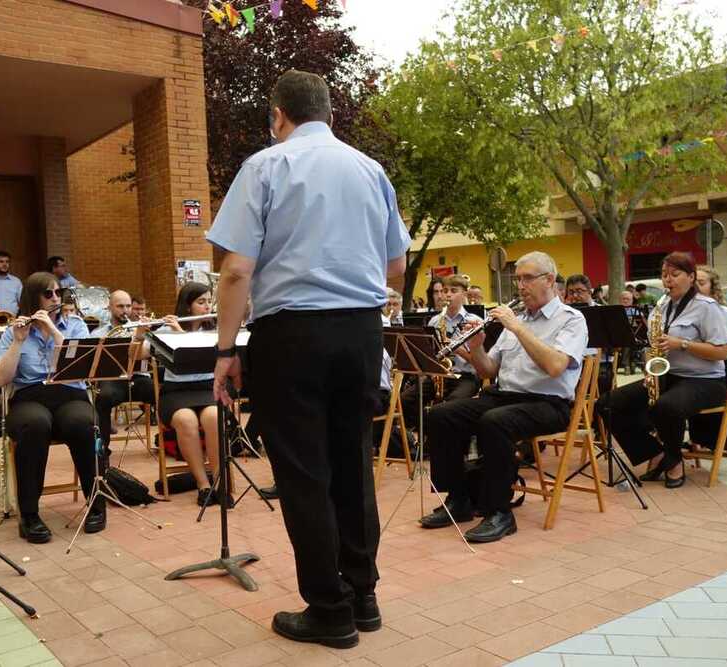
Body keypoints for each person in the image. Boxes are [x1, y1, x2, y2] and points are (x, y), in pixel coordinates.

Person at [206, 70, 410, 649]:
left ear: (277, 116)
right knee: (351, 465)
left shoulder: (266, 166)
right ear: (329, 113)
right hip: (360, 331)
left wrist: (226, 351)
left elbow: (237, 269)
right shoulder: (370, 170)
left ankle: (329, 610)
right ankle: (363, 596)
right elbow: (395, 269)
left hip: (291, 334)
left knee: (304, 475)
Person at [419, 251, 587, 541]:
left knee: (494, 421)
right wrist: (476, 347)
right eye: (518, 279)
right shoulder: (517, 320)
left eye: (527, 279)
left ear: (549, 280)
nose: (520, 286)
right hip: (505, 396)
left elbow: (555, 366)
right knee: (442, 414)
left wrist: (518, 328)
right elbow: (488, 371)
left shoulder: (571, 319)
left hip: (548, 403)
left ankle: (499, 512)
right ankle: (459, 499)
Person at [597, 252, 727, 489]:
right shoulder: (662, 306)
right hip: (669, 375)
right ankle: (654, 453)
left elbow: (723, 351)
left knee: (666, 406)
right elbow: (652, 344)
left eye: (674, 275)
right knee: (607, 403)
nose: (668, 280)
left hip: (705, 381)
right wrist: (651, 361)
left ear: (690, 277)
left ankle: (674, 460)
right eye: (664, 275)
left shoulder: (707, 307)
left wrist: (683, 344)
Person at [0, 273, 105, 543]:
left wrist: (53, 331)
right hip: (29, 396)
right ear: (33, 298)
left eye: (57, 293)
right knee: (34, 425)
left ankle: (97, 504)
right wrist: (18, 341)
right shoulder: (11, 331)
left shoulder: (74, 325)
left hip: (69, 393)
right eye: (48, 294)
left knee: (82, 423)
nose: (55, 299)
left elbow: (81, 368)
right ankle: (29, 515)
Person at [156, 282, 222, 507]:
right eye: (201, 302)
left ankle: (219, 483)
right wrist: (140, 332)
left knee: (214, 417)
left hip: (206, 389)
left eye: (208, 302)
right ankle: (203, 485)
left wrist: (181, 334)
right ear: (187, 305)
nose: (206, 307)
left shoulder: (213, 330)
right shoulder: (166, 329)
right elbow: (138, 355)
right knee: (186, 421)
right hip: (175, 393)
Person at [401, 275, 482, 432]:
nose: (448, 295)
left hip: (466, 377)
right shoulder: (435, 321)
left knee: (451, 404)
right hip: (439, 376)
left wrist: (455, 347)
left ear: (464, 294)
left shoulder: (474, 321)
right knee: (405, 400)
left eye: (454, 291)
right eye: (445, 291)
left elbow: (479, 362)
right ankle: (428, 433)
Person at [687, 265, 727, 452]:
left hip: (717, 371)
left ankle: (713, 436)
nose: (697, 287)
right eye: (694, 283)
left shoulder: (724, 312)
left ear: (712, 287)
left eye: (702, 283)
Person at [91, 289, 155, 466]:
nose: (125, 310)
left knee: (162, 393)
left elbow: (144, 356)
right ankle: (102, 451)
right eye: (120, 306)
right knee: (102, 398)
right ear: (109, 307)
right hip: (113, 379)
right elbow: (92, 363)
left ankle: (172, 443)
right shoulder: (98, 333)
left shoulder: (141, 330)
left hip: (138, 378)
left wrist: (140, 336)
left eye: (128, 306)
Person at [565, 274, 612, 397]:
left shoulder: (603, 312)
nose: (575, 296)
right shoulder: (565, 314)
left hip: (598, 364)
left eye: (579, 291)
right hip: (571, 364)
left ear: (589, 292)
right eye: (571, 292)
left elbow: (614, 344)